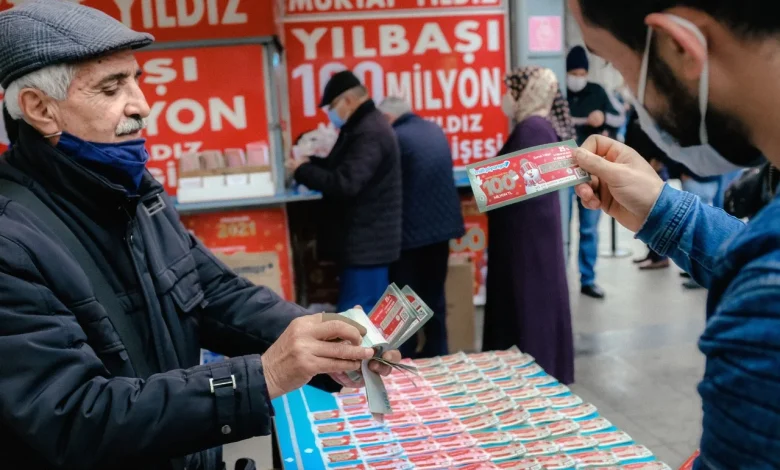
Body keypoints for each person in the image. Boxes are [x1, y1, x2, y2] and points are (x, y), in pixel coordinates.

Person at [0, 2, 400, 469]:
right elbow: (76, 416)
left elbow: (214, 294)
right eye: (112, 88)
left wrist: (325, 345)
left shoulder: (136, 195)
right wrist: (263, 375)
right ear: (39, 109)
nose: (141, 105)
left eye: (136, 81)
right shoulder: (12, 242)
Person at [569, 1, 780, 468]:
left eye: (613, 62)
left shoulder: (767, 295)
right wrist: (665, 211)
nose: (627, 92)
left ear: (679, 47)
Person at [482, 67, 575, 385]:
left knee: (528, 304)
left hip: (526, 240)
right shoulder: (538, 126)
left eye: (511, 90)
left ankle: (532, 371)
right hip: (532, 235)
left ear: (526, 92)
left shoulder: (531, 128)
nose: (506, 98)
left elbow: (515, 186)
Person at [289, 71, 402, 314]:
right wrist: (311, 164)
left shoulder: (369, 131)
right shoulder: (360, 127)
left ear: (347, 101)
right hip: (364, 241)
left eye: (331, 106)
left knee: (359, 315)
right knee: (364, 314)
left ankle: (371, 354)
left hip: (368, 244)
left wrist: (303, 171)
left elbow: (345, 183)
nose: (330, 113)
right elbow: (340, 167)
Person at [377, 97, 465, 359]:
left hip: (412, 234)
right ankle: (439, 352)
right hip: (443, 230)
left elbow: (383, 184)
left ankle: (404, 356)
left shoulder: (396, 137)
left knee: (405, 299)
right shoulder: (433, 129)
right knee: (434, 294)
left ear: (388, 118)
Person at [565, 45, 624, 299]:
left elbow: (620, 116)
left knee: (589, 227)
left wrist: (604, 119)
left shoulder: (598, 92)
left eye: (581, 72)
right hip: (561, 170)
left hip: (592, 170)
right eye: (573, 72)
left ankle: (588, 279)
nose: (578, 77)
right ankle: (559, 282)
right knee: (561, 228)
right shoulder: (558, 94)